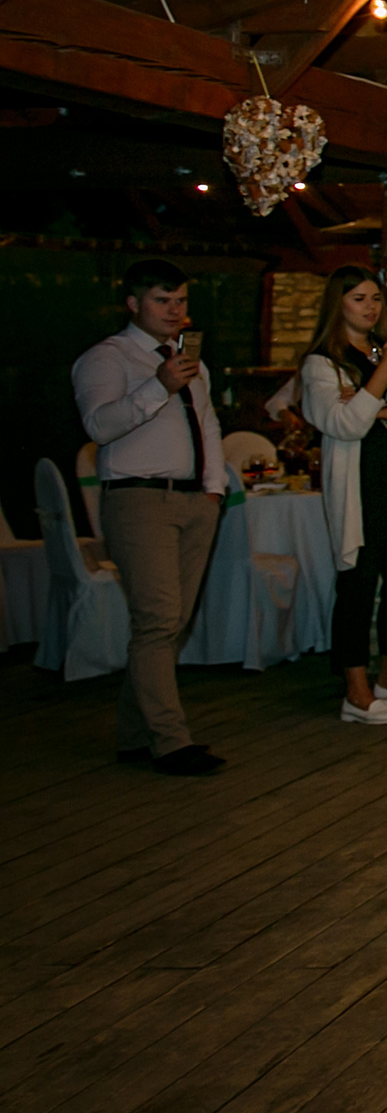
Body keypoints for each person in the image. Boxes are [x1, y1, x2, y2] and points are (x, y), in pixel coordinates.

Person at [73, 260, 227, 775]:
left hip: (193, 502)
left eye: (181, 300)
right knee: (159, 620)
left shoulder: (192, 362)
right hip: (138, 500)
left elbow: (207, 424)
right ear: (134, 304)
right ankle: (170, 740)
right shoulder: (106, 359)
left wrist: (214, 491)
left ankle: (135, 735)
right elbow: (99, 426)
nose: (175, 311)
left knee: (170, 626)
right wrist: (157, 386)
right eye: (163, 301)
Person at [299, 265, 387, 725]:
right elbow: (345, 424)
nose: (371, 307)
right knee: (358, 586)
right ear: (337, 304)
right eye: (359, 298)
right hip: (358, 488)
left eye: (376, 298)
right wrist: (383, 373)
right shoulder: (322, 363)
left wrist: (386, 403)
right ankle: (355, 691)